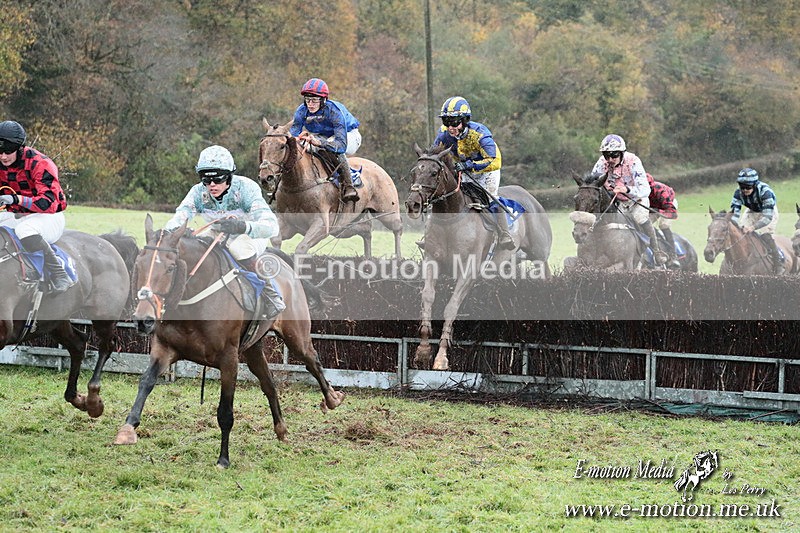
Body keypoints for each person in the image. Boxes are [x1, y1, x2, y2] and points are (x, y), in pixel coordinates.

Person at [164, 145, 286, 318]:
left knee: (239, 248)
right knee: (190, 245)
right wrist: (168, 232)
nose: (212, 185)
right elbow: (181, 216)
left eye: (218, 179)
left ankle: (271, 294)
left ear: (229, 176)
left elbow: (272, 227)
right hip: (216, 232)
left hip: (249, 235)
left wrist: (243, 226)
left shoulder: (246, 188)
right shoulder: (198, 192)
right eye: (206, 179)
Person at [0, 120, 74, 293]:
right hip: (16, 215)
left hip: (48, 216)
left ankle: (59, 273)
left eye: (8, 152)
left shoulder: (41, 164)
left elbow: (48, 202)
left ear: (19, 148)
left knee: (25, 230)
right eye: (0, 151)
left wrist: (16, 199)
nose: (3, 157)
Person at [432, 96, 514, 249]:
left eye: (454, 122)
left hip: (488, 169)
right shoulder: (444, 134)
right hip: (463, 167)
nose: (450, 127)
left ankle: (504, 234)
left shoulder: (480, 134)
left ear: (464, 120)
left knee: (489, 199)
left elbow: (491, 159)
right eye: (446, 122)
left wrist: (468, 165)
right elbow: (435, 152)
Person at [591, 133, 666, 266]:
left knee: (639, 217)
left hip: (637, 200)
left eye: (614, 155)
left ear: (621, 153)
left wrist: (627, 189)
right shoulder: (601, 164)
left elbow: (645, 190)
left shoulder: (633, 161)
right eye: (606, 155)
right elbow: (592, 183)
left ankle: (656, 252)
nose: (610, 159)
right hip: (617, 202)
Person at [289, 77, 361, 202]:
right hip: (324, 136)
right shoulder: (301, 111)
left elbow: (340, 145)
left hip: (348, 136)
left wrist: (320, 142)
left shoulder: (334, 111)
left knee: (329, 146)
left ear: (323, 100)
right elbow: (293, 136)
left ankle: (349, 186)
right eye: (307, 100)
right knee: (305, 145)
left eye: (314, 100)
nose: (310, 104)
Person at [730, 167, 783, 275]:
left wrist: (752, 228)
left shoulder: (765, 192)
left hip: (768, 212)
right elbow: (735, 213)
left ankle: (778, 265)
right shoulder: (738, 193)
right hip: (752, 211)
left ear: (754, 184)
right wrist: (733, 225)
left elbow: (767, 217)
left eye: (748, 187)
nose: (744, 190)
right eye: (742, 186)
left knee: (764, 235)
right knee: (741, 234)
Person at [646, 173, 681, 269]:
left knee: (664, 225)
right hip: (654, 207)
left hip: (668, 205)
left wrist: (658, 211)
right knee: (645, 223)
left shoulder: (660, 190)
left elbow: (672, 213)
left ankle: (673, 256)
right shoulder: (638, 191)